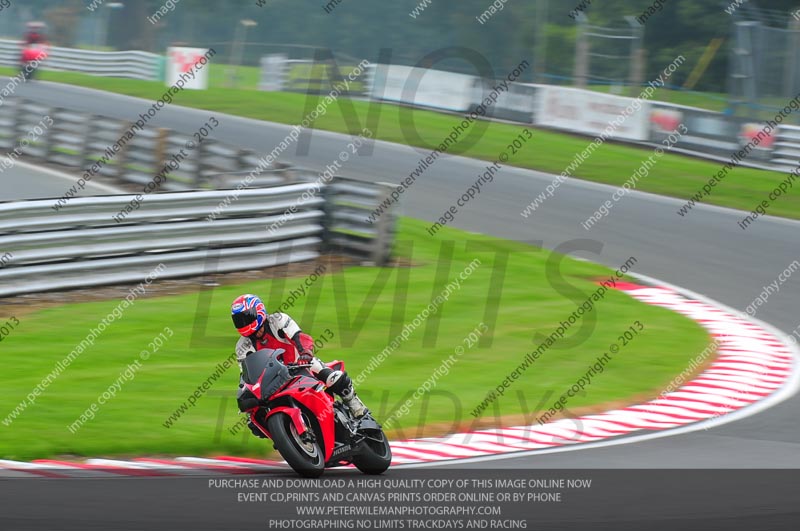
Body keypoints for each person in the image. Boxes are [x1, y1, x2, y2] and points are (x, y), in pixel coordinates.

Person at [230, 294, 367, 438]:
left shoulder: (278, 320)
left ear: (258, 311)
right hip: (274, 381)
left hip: (300, 364)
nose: (243, 323)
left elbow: (299, 337)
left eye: (246, 317)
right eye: (239, 320)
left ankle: (355, 406)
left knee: (333, 378)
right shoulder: (242, 347)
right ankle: (286, 438)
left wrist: (305, 352)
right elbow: (247, 374)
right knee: (256, 421)